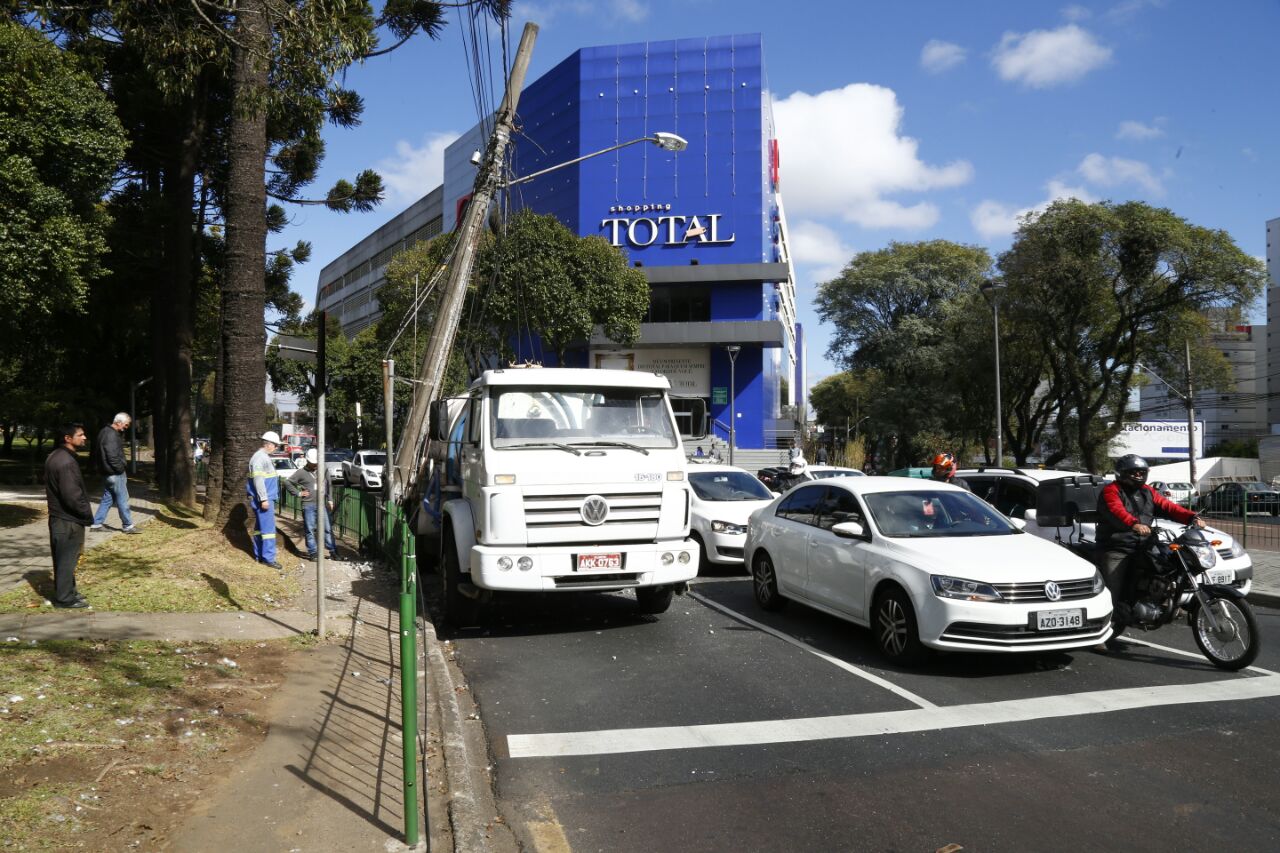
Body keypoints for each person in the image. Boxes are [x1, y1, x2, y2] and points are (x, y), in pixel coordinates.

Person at [1096, 454, 1203, 645]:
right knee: (1112, 590)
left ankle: (1166, 601)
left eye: (1141, 472)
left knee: (1169, 564)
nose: (1137, 475)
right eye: (1133, 472)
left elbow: (1168, 507)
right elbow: (1115, 510)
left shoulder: (1147, 491)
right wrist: (1133, 524)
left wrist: (1191, 517)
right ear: (1122, 473)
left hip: (1144, 543)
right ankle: (1099, 633)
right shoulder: (1111, 490)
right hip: (1117, 546)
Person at [45, 422, 93, 608]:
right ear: (68, 438)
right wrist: (86, 514)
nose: (84, 437)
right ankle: (64, 598)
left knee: (66, 558)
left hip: (61, 518)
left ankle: (69, 592)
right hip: (68, 519)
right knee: (66, 559)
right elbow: (72, 496)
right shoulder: (65, 462)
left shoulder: (56, 456)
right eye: (80, 434)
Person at [283, 448, 338, 561]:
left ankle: (333, 551)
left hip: (322, 504)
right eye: (313, 463)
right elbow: (287, 482)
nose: (315, 465)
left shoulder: (324, 469)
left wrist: (330, 499)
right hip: (308, 505)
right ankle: (313, 553)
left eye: (316, 463)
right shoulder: (301, 472)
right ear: (308, 461)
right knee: (310, 530)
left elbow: (329, 484)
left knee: (327, 529)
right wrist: (298, 493)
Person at [89, 412, 139, 534]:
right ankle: (127, 526)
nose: (125, 428)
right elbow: (112, 456)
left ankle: (96, 524)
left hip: (107, 472)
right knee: (123, 499)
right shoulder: (111, 435)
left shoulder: (104, 432)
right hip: (114, 473)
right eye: (126, 425)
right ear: (118, 422)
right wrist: (120, 469)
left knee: (108, 498)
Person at [248, 431, 283, 570]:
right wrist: (264, 499)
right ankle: (269, 558)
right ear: (269, 444)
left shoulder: (262, 457)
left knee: (259, 529)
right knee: (268, 530)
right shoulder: (259, 458)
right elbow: (258, 481)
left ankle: (259, 555)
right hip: (264, 499)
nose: (276, 448)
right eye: (276, 446)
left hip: (264, 498)